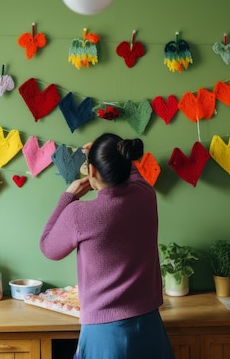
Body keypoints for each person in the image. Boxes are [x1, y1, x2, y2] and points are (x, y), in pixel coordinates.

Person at [40, 133, 175, 359]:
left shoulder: (79, 215)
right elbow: (133, 172)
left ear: (92, 171)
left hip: (105, 334)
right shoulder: (146, 195)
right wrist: (107, 154)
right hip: (150, 326)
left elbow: (48, 247)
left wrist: (68, 197)